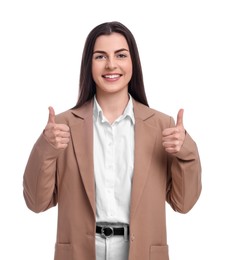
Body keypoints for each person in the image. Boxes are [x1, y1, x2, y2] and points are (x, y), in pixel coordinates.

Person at [23, 21, 202, 260]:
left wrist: (186, 152)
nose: (111, 64)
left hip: (140, 252)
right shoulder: (62, 128)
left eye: (120, 55)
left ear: (133, 63)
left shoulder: (163, 127)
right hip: (80, 251)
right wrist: (46, 147)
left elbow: (184, 203)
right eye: (100, 56)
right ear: (89, 64)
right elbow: (36, 202)